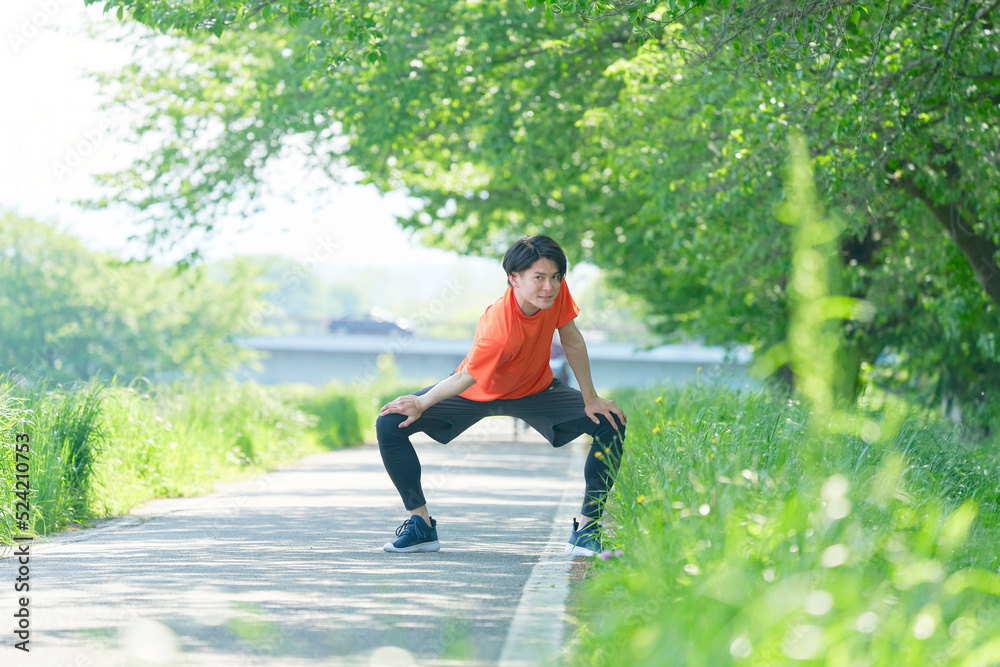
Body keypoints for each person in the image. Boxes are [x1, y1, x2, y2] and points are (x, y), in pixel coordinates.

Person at [376, 234, 627, 556]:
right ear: (514, 278)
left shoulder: (555, 293)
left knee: (611, 422)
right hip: (476, 391)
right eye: (538, 278)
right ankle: (420, 525)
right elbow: (467, 376)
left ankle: (587, 529)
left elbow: (572, 340)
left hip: (536, 390)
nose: (548, 286)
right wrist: (421, 403)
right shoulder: (500, 326)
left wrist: (591, 398)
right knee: (390, 424)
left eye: (555, 277)